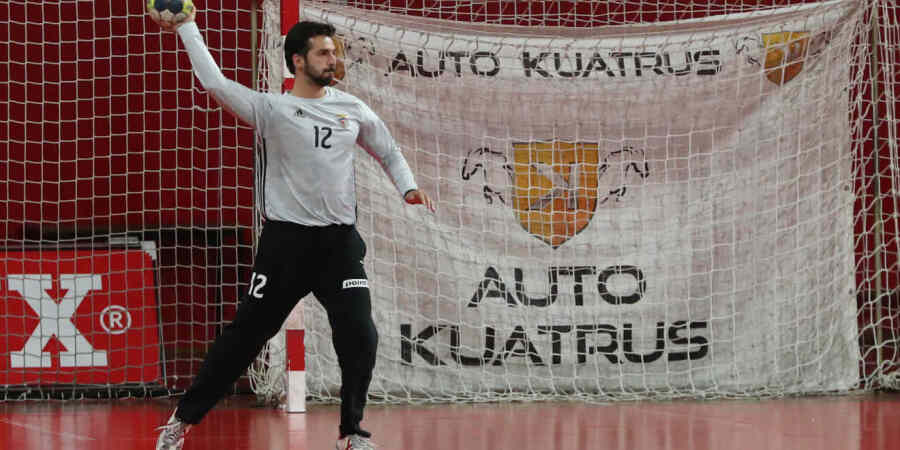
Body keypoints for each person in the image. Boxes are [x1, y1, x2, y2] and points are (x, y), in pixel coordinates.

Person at [151, 8, 434, 450]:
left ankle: (353, 433)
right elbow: (216, 84)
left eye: (334, 52)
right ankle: (181, 421)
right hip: (286, 246)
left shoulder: (352, 108)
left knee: (360, 332)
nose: (333, 59)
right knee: (243, 340)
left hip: (338, 244)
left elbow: (389, 151)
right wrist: (187, 27)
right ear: (297, 61)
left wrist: (409, 187)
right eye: (323, 52)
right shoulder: (273, 109)